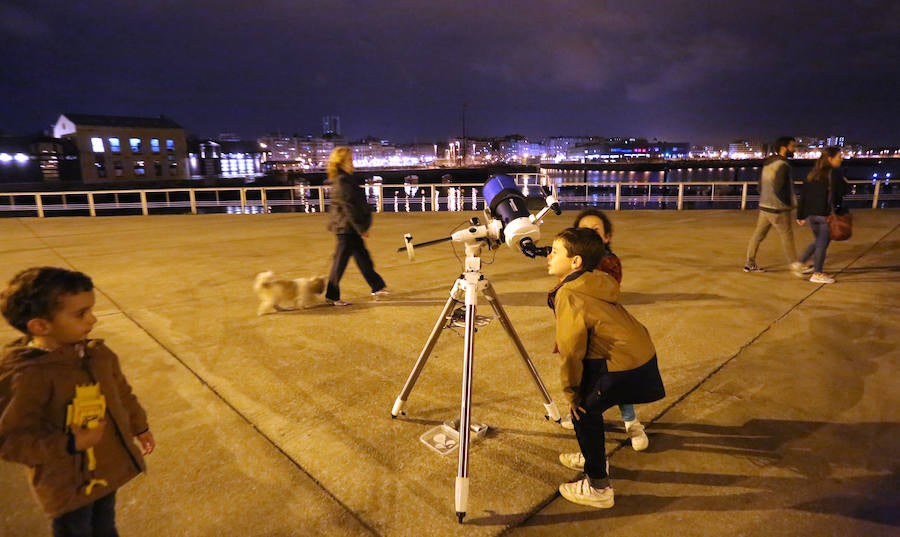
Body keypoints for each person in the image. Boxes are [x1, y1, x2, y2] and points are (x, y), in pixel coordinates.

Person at [0, 267, 155, 537]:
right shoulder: (27, 376)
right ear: (40, 326)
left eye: (91, 309)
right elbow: (10, 441)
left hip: (105, 470)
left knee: (105, 526)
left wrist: (139, 426)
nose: (93, 319)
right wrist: (71, 443)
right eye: (81, 313)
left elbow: (121, 392)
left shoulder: (97, 355)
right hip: (66, 485)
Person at [547, 228, 665, 508]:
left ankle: (599, 487)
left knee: (582, 411)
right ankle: (593, 457)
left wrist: (571, 392)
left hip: (623, 364)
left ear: (575, 262)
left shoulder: (569, 293)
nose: (548, 256)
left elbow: (571, 349)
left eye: (554, 251)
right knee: (589, 407)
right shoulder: (594, 280)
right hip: (638, 354)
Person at [571, 209, 648, 451]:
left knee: (615, 380)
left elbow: (606, 290)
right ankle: (587, 429)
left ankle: (632, 423)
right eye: (583, 231)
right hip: (581, 330)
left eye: (595, 231)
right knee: (583, 383)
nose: (589, 236)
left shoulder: (608, 262)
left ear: (606, 237)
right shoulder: (574, 262)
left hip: (605, 332)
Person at [324, 146, 389, 306]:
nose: (353, 163)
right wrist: (361, 228)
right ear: (341, 163)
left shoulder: (345, 178)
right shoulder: (342, 181)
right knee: (340, 262)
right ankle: (332, 295)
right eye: (350, 160)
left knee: (363, 258)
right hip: (346, 228)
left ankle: (377, 286)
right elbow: (349, 207)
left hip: (348, 226)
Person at [744, 136, 807, 276]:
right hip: (778, 208)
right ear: (784, 147)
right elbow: (779, 187)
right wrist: (788, 204)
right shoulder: (784, 165)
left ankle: (749, 263)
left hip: (765, 206)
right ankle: (795, 265)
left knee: (758, 235)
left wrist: (767, 198)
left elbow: (760, 186)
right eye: (793, 146)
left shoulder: (768, 163)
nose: (794, 149)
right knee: (787, 236)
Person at [797, 147, 848, 284]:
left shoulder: (812, 174)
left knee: (819, 241)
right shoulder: (835, 173)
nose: (841, 159)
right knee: (821, 244)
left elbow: (804, 196)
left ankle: (801, 263)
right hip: (826, 215)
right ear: (830, 159)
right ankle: (817, 273)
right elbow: (842, 192)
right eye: (839, 157)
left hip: (812, 215)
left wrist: (800, 215)